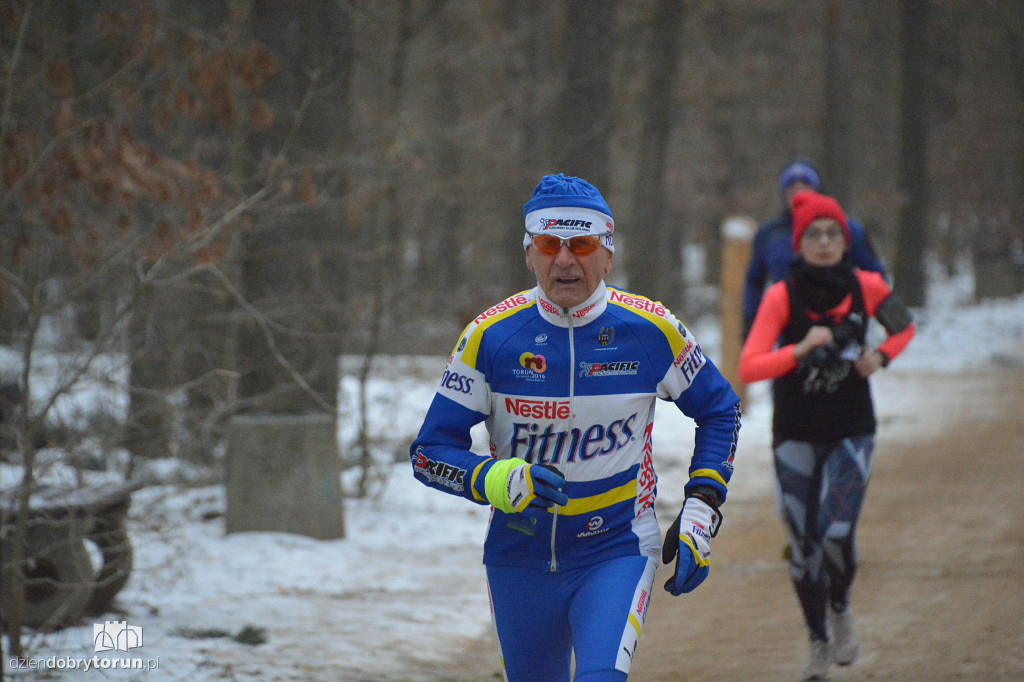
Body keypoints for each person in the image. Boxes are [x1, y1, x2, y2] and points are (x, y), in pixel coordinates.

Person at [410, 173, 741, 681]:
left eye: (581, 244)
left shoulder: (652, 329)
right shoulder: (489, 337)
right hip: (518, 556)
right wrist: (494, 478)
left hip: (616, 548)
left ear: (608, 255)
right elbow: (428, 454)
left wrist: (702, 506)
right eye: (549, 244)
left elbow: (720, 410)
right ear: (529, 254)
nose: (564, 260)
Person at [738, 190, 915, 680]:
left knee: (836, 534)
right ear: (798, 243)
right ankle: (818, 641)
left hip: (851, 429)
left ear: (844, 241)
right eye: (813, 234)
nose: (823, 242)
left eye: (832, 233)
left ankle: (840, 607)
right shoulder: (782, 295)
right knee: (802, 544)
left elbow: (904, 328)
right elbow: (750, 366)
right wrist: (798, 350)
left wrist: (881, 357)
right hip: (794, 430)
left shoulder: (867, 286)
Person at [743, 159, 888, 338]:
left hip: (840, 324)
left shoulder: (848, 229)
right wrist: (751, 322)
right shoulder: (770, 234)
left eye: (805, 184)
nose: (798, 191)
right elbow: (754, 281)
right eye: (791, 186)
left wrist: (860, 316)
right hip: (788, 326)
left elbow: (877, 276)